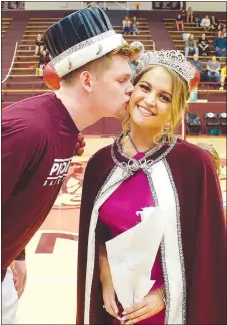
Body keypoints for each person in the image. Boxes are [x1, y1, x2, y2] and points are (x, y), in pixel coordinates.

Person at [2, 7, 136, 324]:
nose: (131, 89)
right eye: (122, 80)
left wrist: (15, 254)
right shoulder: (28, 129)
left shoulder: (65, 129)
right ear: (87, 81)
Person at [76, 50, 226, 325]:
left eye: (164, 96)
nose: (149, 100)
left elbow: (209, 249)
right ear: (132, 90)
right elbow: (96, 235)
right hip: (117, 309)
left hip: (172, 311)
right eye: (145, 88)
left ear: (176, 108)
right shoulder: (99, 164)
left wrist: (165, 295)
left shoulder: (195, 164)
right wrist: (105, 273)